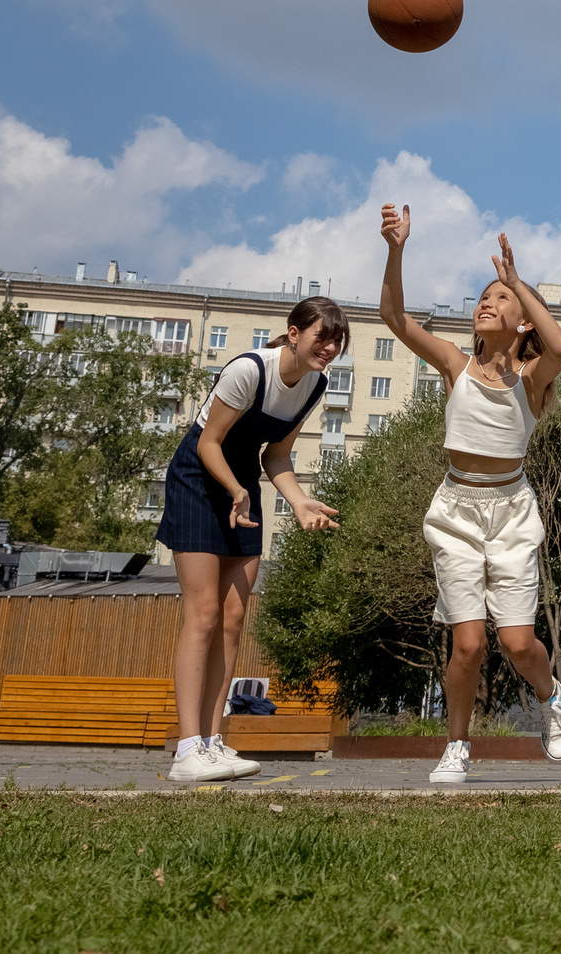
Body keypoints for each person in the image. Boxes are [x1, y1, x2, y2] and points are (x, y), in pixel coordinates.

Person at [379, 203, 561, 784]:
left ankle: (551, 694)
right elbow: (393, 315)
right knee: (467, 646)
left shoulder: (533, 381)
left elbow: (560, 346)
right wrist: (396, 249)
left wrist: (519, 281)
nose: (486, 302)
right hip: (457, 513)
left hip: (512, 515)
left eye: (501, 297)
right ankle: (458, 745)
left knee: (518, 644)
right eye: (484, 296)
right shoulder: (454, 365)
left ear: (522, 323)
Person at [155, 295, 347, 784]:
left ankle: (213, 741)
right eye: (322, 336)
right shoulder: (248, 370)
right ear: (295, 332)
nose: (329, 348)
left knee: (234, 616)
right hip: (200, 478)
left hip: (242, 481)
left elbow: (276, 458)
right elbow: (207, 442)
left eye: (336, 341)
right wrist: (236, 490)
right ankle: (186, 749)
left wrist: (299, 501)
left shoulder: (314, 384)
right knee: (202, 612)